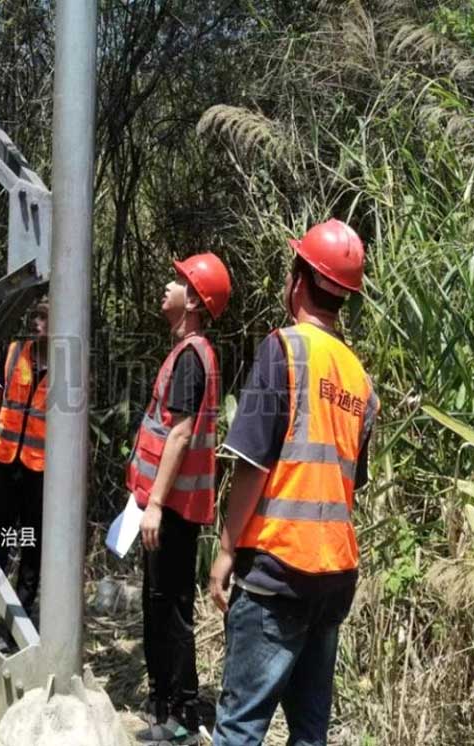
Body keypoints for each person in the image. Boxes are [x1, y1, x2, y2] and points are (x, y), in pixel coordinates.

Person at [209, 219, 379, 746]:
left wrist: (225, 548)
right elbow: (351, 480)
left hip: (278, 570)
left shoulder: (283, 350)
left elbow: (253, 464)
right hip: (334, 575)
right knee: (309, 731)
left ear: (298, 281)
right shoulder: (360, 379)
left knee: (240, 727)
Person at [125, 253, 231, 745]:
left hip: (171, 512)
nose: (166, 286)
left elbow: (181, 433)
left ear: (191, 300)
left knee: (171, 609)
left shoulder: (192, 356)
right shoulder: (188, 352)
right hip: (168, 508)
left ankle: (183, 718)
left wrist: (156, 504)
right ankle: (165, 701)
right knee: (161, 603)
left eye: (179, 280)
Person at [0, 299, 49, 652]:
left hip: (40, 473)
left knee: (33, 549)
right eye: (36, 316)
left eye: (46, 318)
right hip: (5, 465)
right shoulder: (14, 352)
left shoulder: (70, 367)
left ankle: (20, 624)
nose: (38, 324)